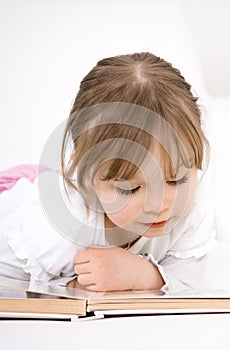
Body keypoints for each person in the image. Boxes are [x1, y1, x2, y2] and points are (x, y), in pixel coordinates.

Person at [0, 52, 216, 293]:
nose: (159, 204)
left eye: (176, 179)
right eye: (129, 188)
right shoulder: (60, 224)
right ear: (86, 177)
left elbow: (186, 281)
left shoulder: (194, 208)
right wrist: (75, 285)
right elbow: (14, 286)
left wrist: (143, 275)